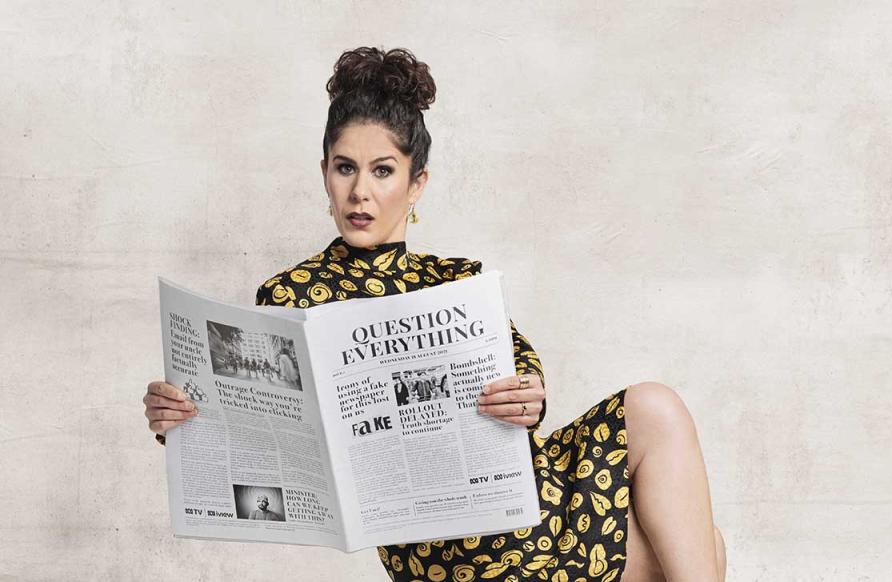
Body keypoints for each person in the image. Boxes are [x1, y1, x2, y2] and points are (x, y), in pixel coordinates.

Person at [142, 46, 726, 581]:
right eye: (344, 167)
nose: (359, 193)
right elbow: (273, 444)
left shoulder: (457, 280)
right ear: (324, 174)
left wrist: (528, 394)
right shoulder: (290, 297)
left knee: (655, 408)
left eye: (382, 170)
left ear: (416, 183)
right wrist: (186, 425)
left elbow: (526, 385)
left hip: (539, 505)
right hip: (452, 562)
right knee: (698, 550)